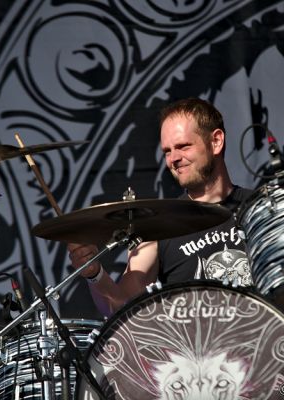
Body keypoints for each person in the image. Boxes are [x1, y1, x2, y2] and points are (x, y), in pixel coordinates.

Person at [68, 98, 254, 316]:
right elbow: (119, 309)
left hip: (264, 333)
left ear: (216, 141)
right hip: (196, 338)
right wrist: (95, 275)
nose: (174, 158)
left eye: (183, 146)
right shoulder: (157, 226)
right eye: (167, 151)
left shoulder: (262, 206)